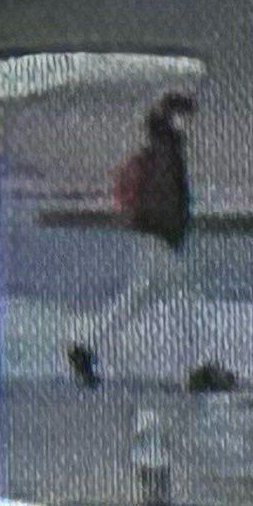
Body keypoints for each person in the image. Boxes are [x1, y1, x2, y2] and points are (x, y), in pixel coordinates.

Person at [65, 89, 226, 393]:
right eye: (185, 118)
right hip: (161, 237)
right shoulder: (168, 151)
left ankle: (86, 344)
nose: (189, 124)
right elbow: (169, 200)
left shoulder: (163, 146)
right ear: (174, 118)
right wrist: (174, 232)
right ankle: (197, 368)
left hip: (154, 235)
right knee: (180, 298)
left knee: (149, 297)